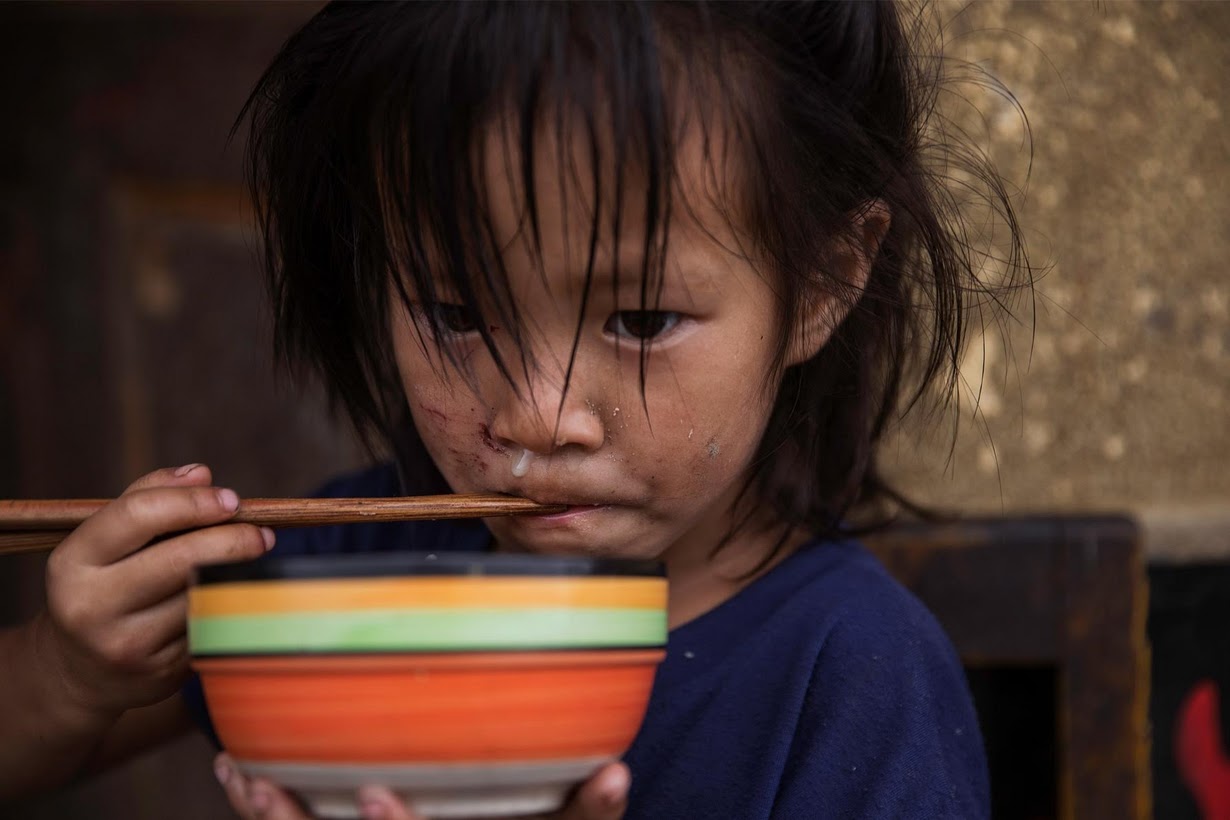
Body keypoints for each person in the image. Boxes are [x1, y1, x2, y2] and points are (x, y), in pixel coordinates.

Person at [0, 2, 1032, 818]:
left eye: (639, 317)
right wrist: (67, 670)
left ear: (820, 282)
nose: (536, 415)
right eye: (455, 311)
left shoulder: (852, 674)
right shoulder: (336, 587)